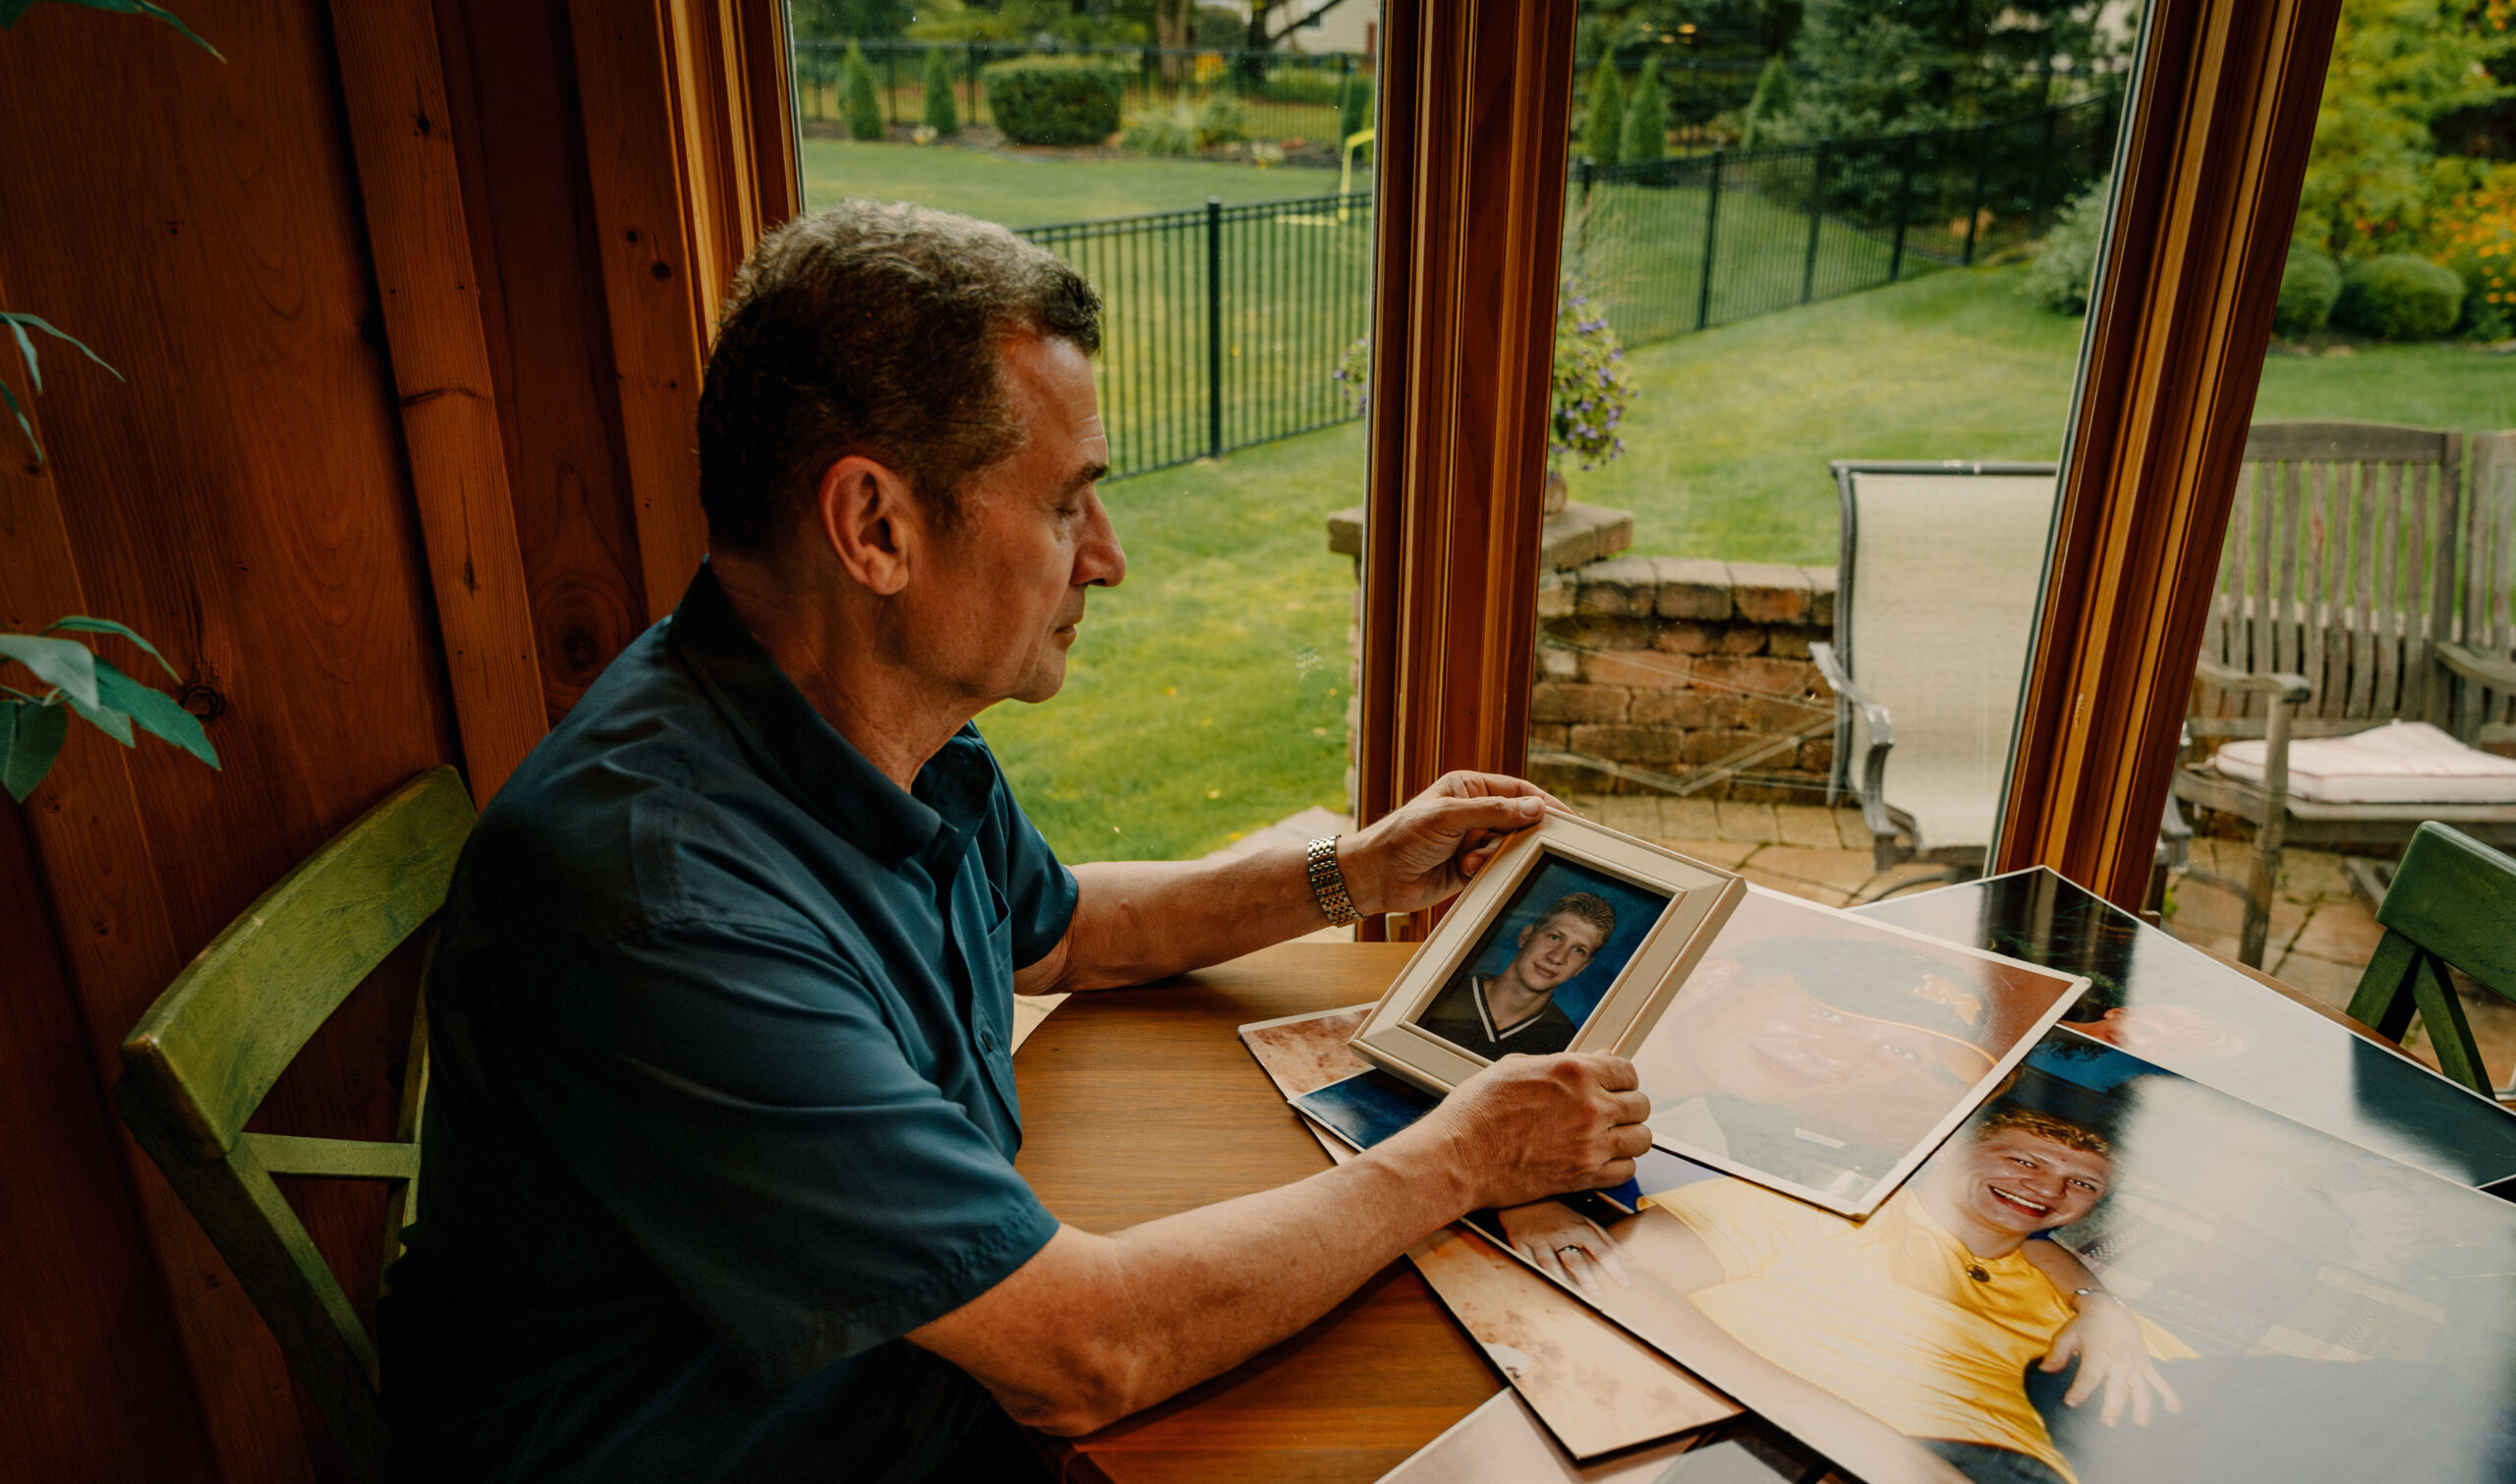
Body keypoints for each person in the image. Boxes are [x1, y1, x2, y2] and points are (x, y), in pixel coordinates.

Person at [375, 201, 1652, 1484]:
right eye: (1066, 503)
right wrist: (1465, 1153)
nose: (1109, 558)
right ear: (875, 528)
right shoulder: (662, 898)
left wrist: (1350, 872)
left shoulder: (876, 731)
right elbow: (1084, 1356)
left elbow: (1070, 930)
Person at [1501, 1105, 2190, 1484]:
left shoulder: (2072, 1297)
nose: (2047, 1189)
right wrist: (1870, 1444)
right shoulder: (1823, 1209)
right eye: (2024, 1160)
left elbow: (2199, 1420)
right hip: (1785, 1449)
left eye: (2082, 1184)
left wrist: (2109, 1308)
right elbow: (1607, 1286)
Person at [1629, 937, 2005, 1200]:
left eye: (1897, 1051)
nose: (1843, 1061)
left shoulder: (1724, 1153)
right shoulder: (1573, 1028)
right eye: (1828, 1014)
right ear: (1714, 979)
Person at [1414, 891, 1618, 1057]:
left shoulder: (1565, 1048)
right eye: (1554, 937)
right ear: (1526, 935)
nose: (1558, 957)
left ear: (1582, 967)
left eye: (1578, 950)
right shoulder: (1436, 996)